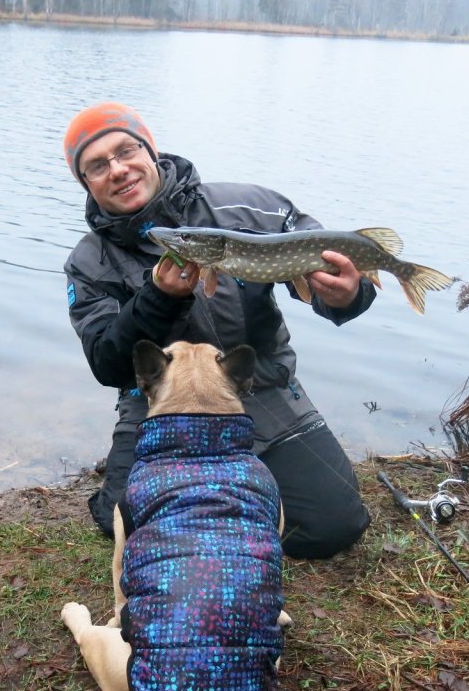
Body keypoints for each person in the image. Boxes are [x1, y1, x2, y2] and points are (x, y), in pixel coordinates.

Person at [62, 101, 373, 560]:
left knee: (334, 526)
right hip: (157, 408)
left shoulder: (249, 207)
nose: (118, 170)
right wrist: (158, 299)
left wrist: (348, 294)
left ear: (150, 150)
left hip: (261, 394)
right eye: (97, 166)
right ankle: (218, 500)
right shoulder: (89, 263)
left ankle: (224, 506)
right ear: (86, 183)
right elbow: (107, 363)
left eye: (126, 151)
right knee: (125, 523)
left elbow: (329, 264)